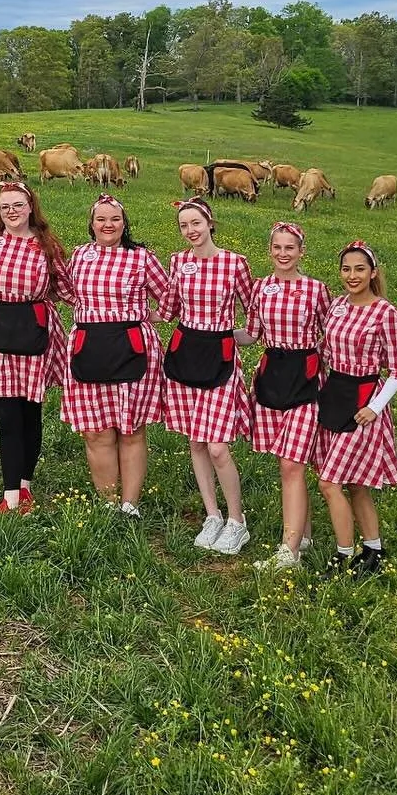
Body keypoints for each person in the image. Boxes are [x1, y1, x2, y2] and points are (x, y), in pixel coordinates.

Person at [61, 194, 171, 516]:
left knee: (131, 428)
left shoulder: (141, 257)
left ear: (124, 224)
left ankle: (129, 504)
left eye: (115, 219)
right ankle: (109, 504)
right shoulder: (80, 256)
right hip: (89, 344)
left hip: (131, 346)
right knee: (96, 431)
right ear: (91, 224)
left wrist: (146, 316)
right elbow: (67, 292)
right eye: (101, 219)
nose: (108, 225)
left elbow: (169, 296)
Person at [0, 181, 71, 512]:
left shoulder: (46, 245)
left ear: (31, 207)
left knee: (30, 413)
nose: (11, 211)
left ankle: (24, 485)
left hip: (33, 332)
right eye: (5, 207)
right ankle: (10, 495)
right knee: (7, 416)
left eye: (17, 204)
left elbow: (64, 287)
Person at [162, 197, 254, 555]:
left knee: (217, 446)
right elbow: (168, 309)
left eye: (196, 223)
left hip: (219, 356)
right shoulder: (178, 261)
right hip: (185, 352)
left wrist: (233, 337)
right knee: (196, 442)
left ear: (210, 222)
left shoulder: (235, 263)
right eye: (184, 225)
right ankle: (212, 515)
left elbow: (253, 313)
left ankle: (236, 521)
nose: (191, 231)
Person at [315, 240, 397, 575]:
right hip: (335, 393)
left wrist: (375, 407)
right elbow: (325, 352)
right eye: (346, 269)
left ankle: (343, 554)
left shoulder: (386, 312)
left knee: (329, 482)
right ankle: (374, 549)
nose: (352, 276)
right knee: (355, 483)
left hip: (364, 401)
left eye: (359, 269)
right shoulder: (337, 306)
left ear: (373, 273)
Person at [244, 221, 331, 572]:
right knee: (288, 462)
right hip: (271, 373)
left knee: (291, 464)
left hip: (305, 374)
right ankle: (304, 536)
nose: (283, 254)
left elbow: (331, 334)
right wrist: (205, 330)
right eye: (277, 247)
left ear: (301, 252)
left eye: (290, 248)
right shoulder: (260, 288)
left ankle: (288, 551)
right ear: (270, 251)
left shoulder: (316, 290)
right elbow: (251, 334)